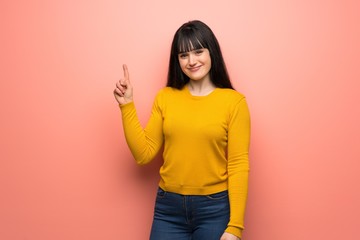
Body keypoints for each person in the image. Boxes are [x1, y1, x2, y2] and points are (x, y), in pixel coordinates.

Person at [114, 20, 250, 240]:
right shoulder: (165, 97)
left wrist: (235, 227)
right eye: (183, 55)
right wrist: (127, 105)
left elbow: (238, 164)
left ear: (211, 52)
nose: (192, 61)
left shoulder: (234, 102)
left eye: (198, 51)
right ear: (177, 60)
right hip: (168, 209)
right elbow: (143, 154)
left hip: (214, 209)